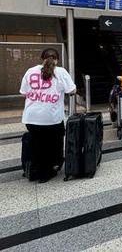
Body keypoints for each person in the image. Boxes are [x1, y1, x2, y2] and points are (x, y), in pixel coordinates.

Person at [20, 48, 76, 183]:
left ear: (42, 58)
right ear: (57, 59)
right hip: (51, 118)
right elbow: (72, 90)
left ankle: (34, 170)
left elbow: (23, 93)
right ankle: (45, 173)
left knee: (36, 142)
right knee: (51, 144)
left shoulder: (30, 71)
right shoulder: (61, 72)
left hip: (31, 117)